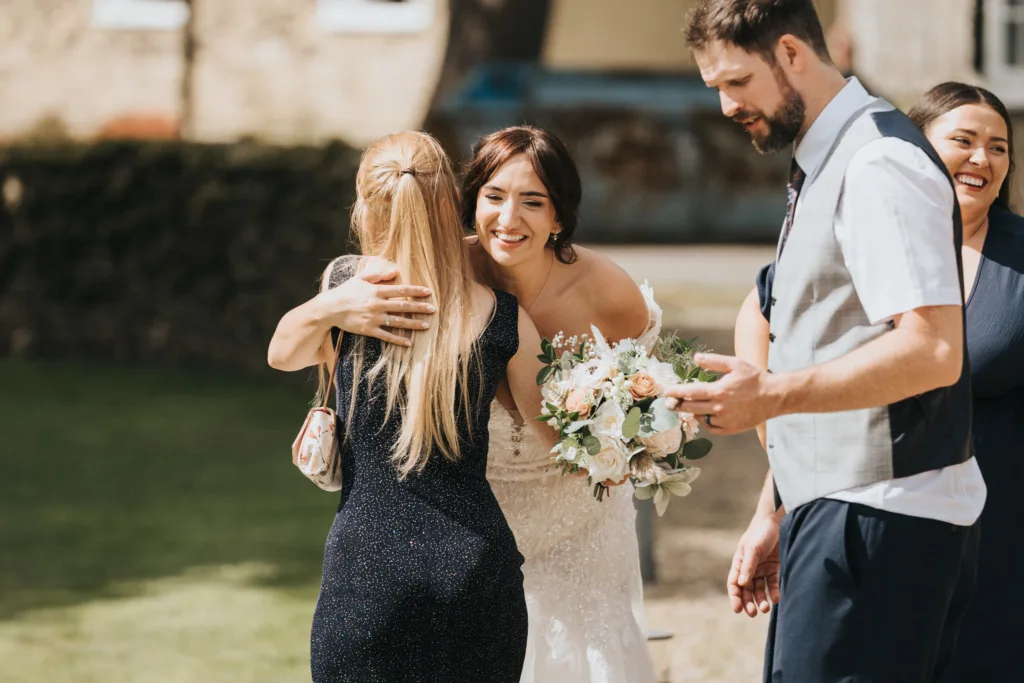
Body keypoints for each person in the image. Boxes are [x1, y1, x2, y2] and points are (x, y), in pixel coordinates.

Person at [668, 2, 986, 682]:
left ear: (790, 54)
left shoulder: (877, 163)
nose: (725, 106)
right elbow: (822, 336)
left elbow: (933, 351)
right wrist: (781, 507)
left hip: (881, 518)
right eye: (714, 88)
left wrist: (771, 396)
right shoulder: (827, 157)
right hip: (843, 510)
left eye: (736, 82)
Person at [316, 125, 660, 682]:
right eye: (494, 197)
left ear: (559, 217)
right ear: (469, 203)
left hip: (575, 515)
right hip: (477, 509)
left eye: (533, 202)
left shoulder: (607, 292)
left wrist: (634, 443)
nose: (509, 218)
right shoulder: (447, 277)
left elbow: (647, 392)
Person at [741, 81, 1024, 681]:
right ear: (916, 151)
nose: (983, 159)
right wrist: (778, 495)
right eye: (964, 141)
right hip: (855, 521)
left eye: (999, 148)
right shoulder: (865, 235)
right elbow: (766, 321)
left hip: (997, 534)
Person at [266, 131, 555, 683]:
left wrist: (331, 306)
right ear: (452, 202)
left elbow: (282, 354)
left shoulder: (347, 288)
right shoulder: (503, 319)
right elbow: (554, 431)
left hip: (366, 577)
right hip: (476, 574)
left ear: (365, 208)